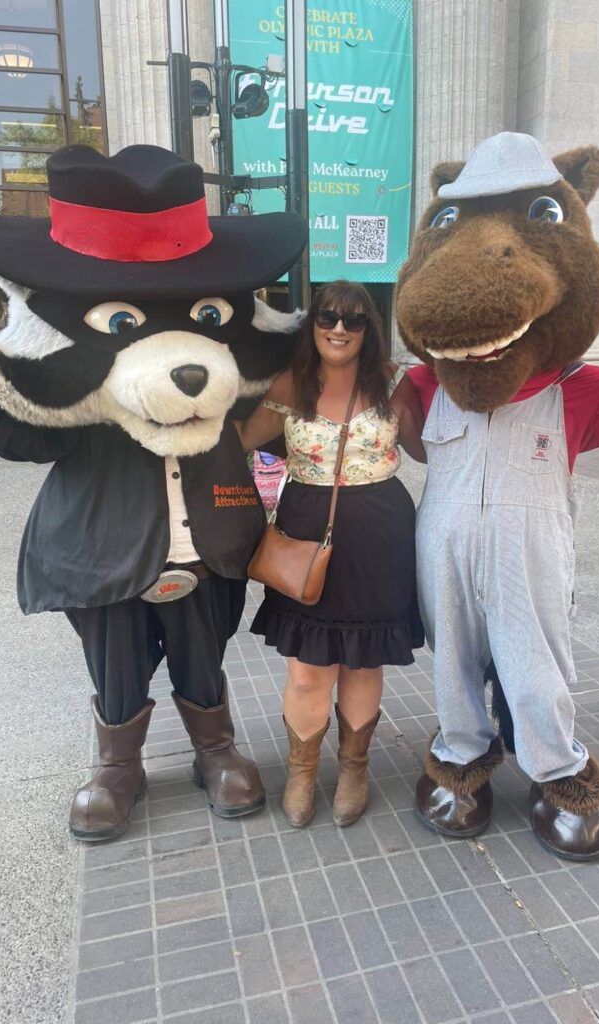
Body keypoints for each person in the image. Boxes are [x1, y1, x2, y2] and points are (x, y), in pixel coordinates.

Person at [237, 280, 425, 829]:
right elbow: (242, 440)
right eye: (327, 316)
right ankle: (301, 770)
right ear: (312, 323)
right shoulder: (289, 384)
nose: (338, 328)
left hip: (381, 539)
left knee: (363, 661)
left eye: (354, 319)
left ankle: (354, 769)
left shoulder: (395, 384)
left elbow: (423, 448)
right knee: (308, 669)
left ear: (370, 328)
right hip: (303, 538)